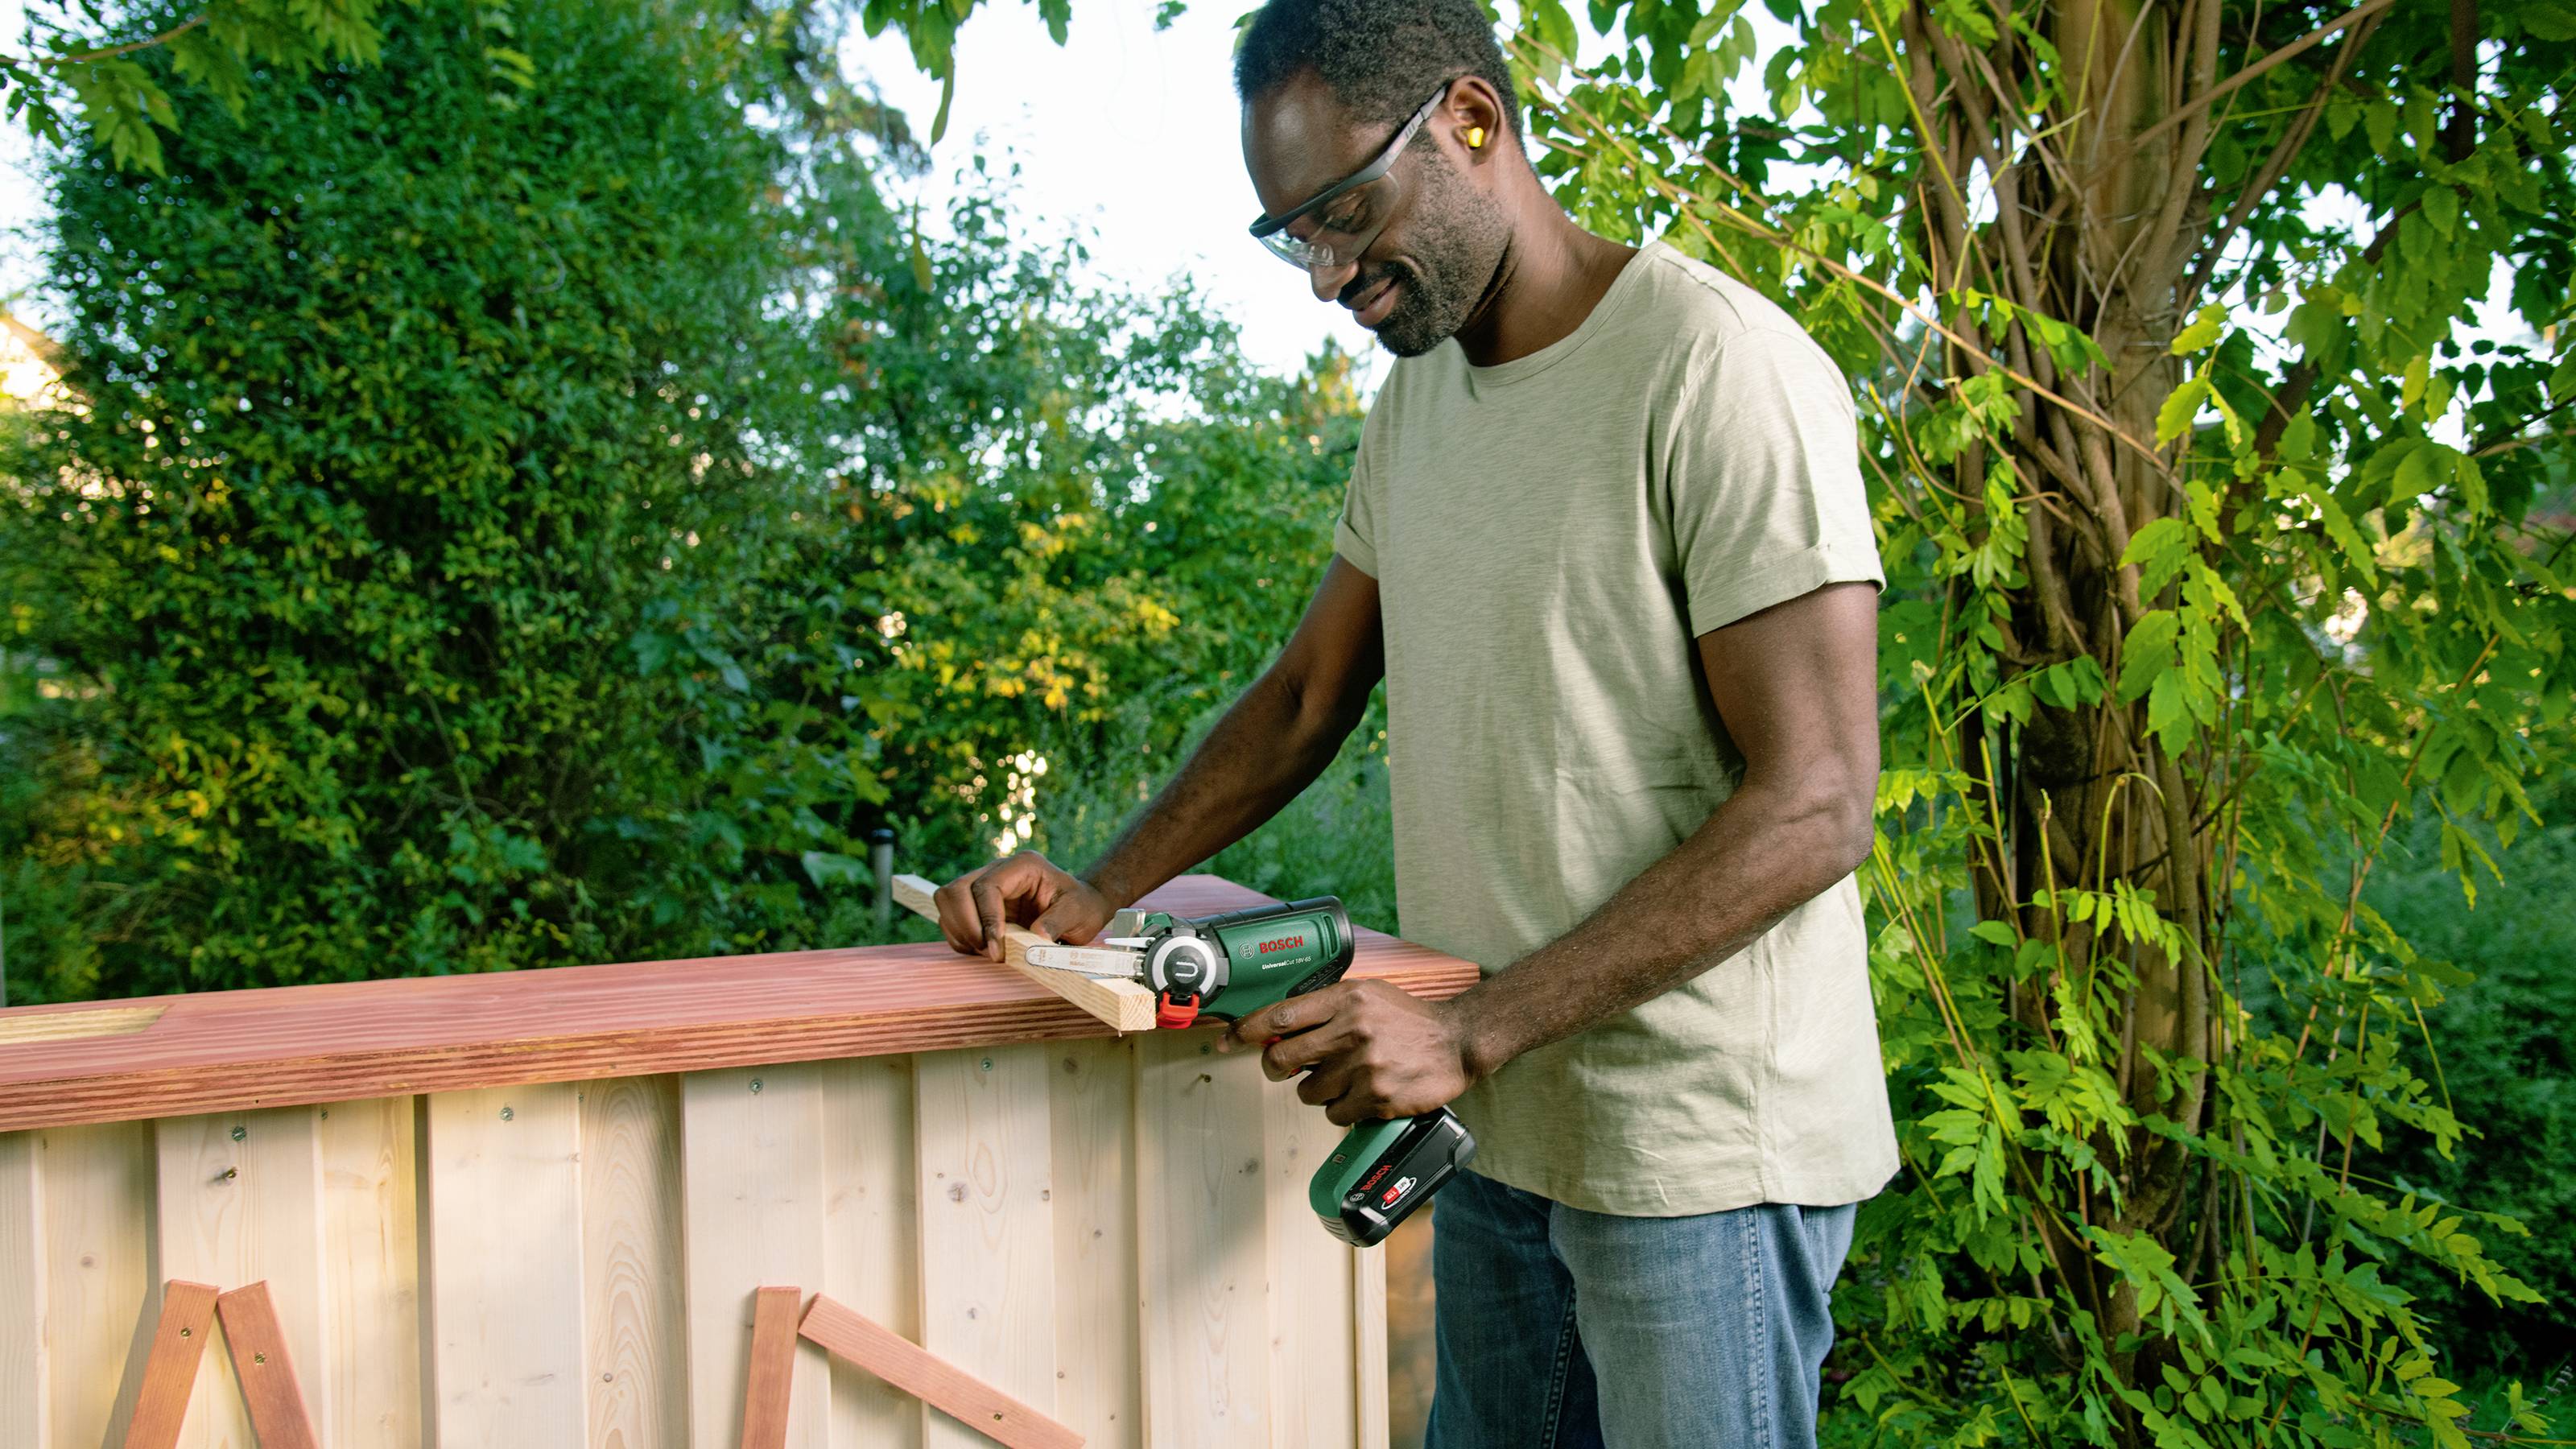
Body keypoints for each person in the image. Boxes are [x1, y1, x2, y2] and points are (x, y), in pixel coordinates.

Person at [929, 0, 1899, 1443]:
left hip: (1697, 1158)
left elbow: (1818, 802)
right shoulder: (1418, 404)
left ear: (1471, 121)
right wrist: (1099, 889)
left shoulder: (1715, 371)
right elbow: (1310, 695)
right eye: (1292, 235)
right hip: (1499, 1124)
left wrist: (1473, 1031)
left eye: (1343, 212)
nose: (1325, 277)